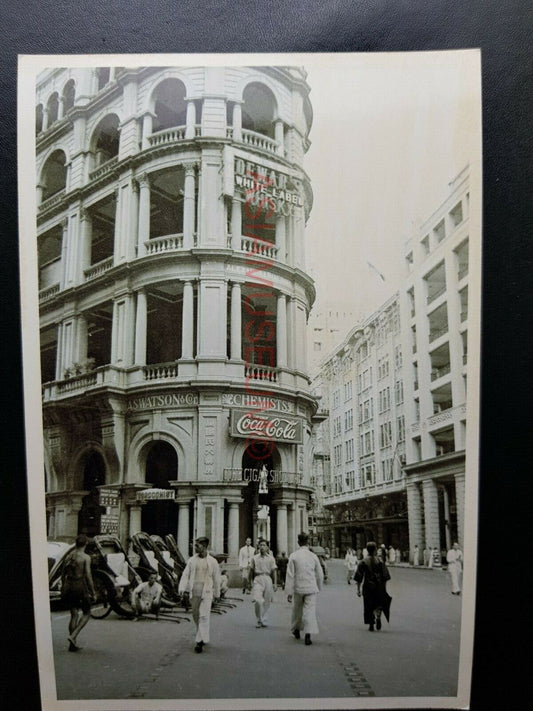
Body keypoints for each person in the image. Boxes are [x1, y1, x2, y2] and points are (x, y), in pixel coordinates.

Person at [178, 536, 221, 653]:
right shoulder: (192, 560)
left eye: (197, 545)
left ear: (205, 546)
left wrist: (217, 594)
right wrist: (182, 588)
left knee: (203, 616)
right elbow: (185, 575)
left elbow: (217, 579)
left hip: (206, 592)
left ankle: (199, 642)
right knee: (196, 616)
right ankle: (201, 634)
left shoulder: (213, 562)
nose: (195, 547)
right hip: (194, 591)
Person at [286, 532, 324, 646]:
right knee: (309, 611)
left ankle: (296, 629)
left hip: (298, 587)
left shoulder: (294, 555)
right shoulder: (313, 556)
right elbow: (319, 573)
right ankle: (308, 634)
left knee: (297, 609)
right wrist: (319, 586)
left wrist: (289, 592)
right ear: (308, 542)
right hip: (311, 587)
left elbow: (290, 575)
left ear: (298, 542)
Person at [60, 534, 96, 652]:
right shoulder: (86, 557)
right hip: (79, 585)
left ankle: (72, 645)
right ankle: (73, 635)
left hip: (68, 585)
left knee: (74, 614)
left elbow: (62, 573)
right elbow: (88, 575)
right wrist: (93, 591)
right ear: (85, 544)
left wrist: (63, 587)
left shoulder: (69, 556)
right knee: (87, 612)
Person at [354, 541, 392, 632]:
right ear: (375, 550)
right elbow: (385, 576)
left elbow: (359, 577)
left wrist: (358, 589)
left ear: (367, 550)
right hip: (379, 586)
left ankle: (371, 623)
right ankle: (378, 616)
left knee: (368, 604)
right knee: (378, 603)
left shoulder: (363, 562)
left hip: (368, 586)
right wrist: (384, 588)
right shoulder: (380, 561)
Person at [249, 539, 277, 628]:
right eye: (260, 545)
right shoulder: (254, 558)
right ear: (258, 547)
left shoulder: (271, 558)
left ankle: (263, 619)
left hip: (267, 578)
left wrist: (275, 583)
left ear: (267, 547)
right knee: (257, 600)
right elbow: (251, 570)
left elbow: (274, 571)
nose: (262, 547)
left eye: (264, 545)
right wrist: (250, 582)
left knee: (267, 601)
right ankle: (258, 619)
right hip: (258, 578)